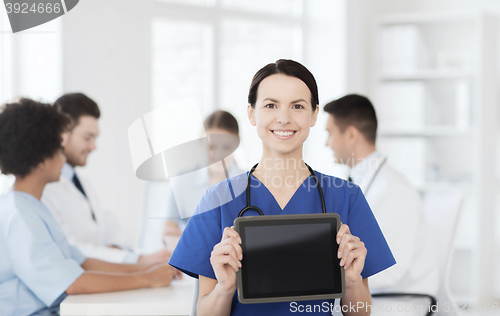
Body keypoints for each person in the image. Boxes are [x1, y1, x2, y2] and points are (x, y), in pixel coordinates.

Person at [169, 59, 396, 316]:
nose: (284, 118)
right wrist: (225, 287)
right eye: (270, 105)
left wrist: (353, 282)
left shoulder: (346, 197)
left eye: (297, 106)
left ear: (313, 115)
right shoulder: (216, 199)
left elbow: (361, 312)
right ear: (252, 113)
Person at [0, 98, 175, 316]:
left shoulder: (32, 207)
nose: (63, 157)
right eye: (58, 149)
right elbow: (71, 283)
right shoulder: (21, 216)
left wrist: (148, 269)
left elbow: (83, 262)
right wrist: (147, 278)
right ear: (41, 158)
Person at [324, 94, 438, 295]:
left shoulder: (394, 189)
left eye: (330, 133)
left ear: (351, 135)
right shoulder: (358, 181)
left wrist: (330, 275)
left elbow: (392, 270)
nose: (327, 143)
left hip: (398, 299)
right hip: (368, 292)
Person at [42, 93, 169, 265]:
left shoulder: (84, 184)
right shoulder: (44, 188)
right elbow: (69, 248)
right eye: (87, 138)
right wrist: (136, 259)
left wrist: (117, 249)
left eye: (95, 138)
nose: (93, 146)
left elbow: (114, 227)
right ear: (62, 134)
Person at [163, 110, 244, 239]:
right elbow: (168, 230)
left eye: (227, 147)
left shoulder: (251, 183)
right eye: (212, 147)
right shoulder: (181, 181)